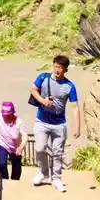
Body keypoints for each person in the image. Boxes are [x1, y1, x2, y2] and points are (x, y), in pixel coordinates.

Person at [29, 54, 81, 192]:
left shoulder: (69, 86)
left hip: (59, 124)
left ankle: (57, 179)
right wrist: (42, 101)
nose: (57, 70)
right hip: (41, 121)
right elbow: (33, 89)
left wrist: (77, 126)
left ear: (65, 70)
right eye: (56, 66)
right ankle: (43, 173)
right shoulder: (43, 77)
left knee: (58, 153)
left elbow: (75, 106)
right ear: (53, 65)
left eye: (61, 68)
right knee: (40, 148)